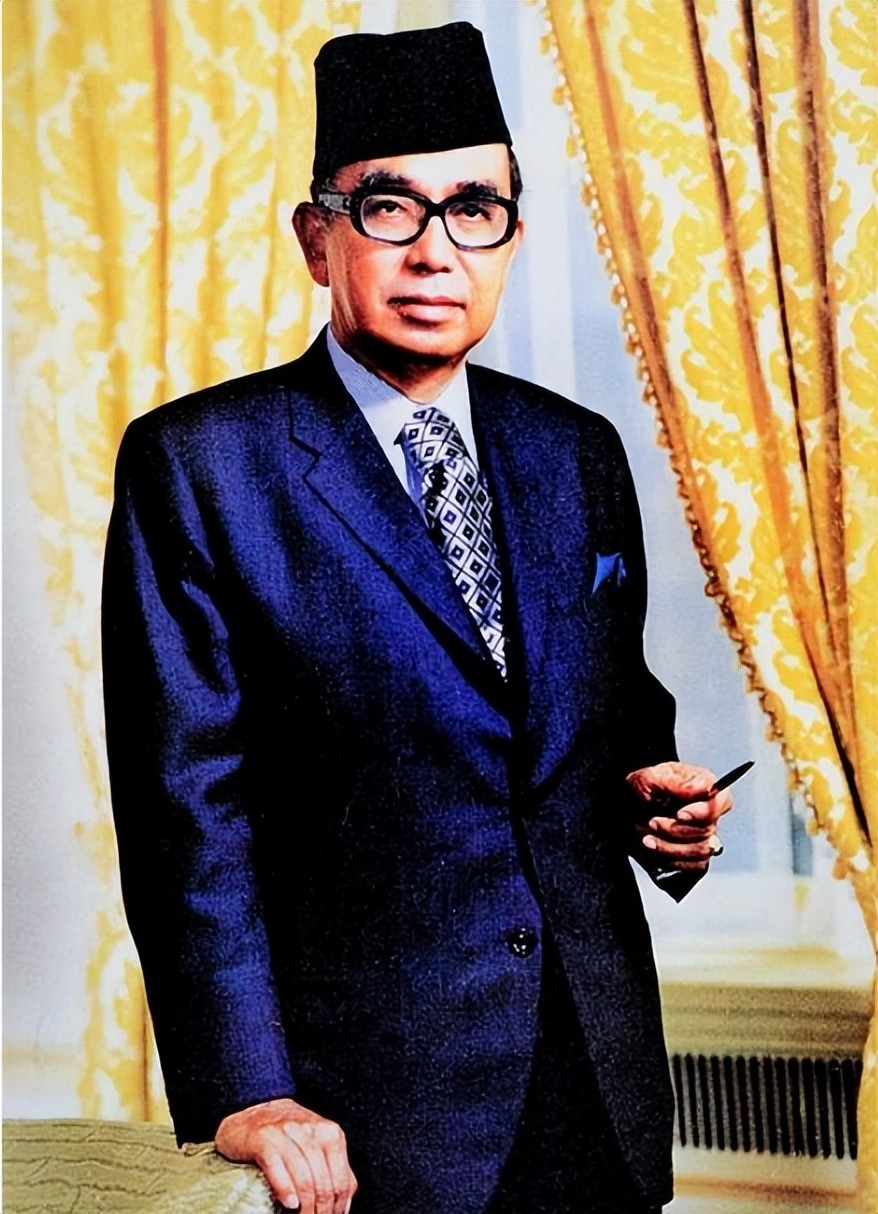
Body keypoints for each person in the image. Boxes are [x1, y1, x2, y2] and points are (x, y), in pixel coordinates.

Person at [102, 22, 732, 1214]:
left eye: (474, 209)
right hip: (365, 1118)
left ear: (512, 234)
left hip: (594, 1086)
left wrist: (664, 813)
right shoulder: (201, 465)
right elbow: (187, 812)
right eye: (390, 208)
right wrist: (250, 1091)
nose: (436, 251)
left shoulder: (574, 454)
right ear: (317, 238)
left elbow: (600, 723)